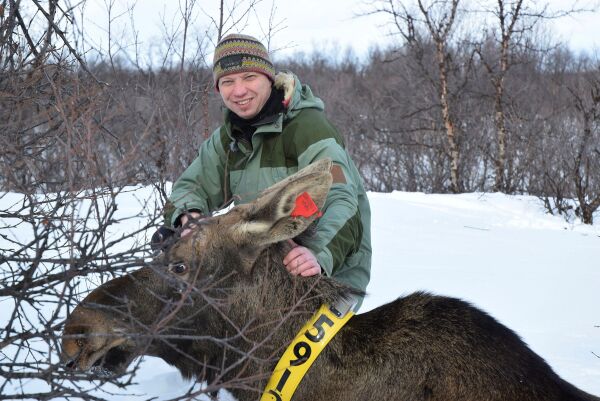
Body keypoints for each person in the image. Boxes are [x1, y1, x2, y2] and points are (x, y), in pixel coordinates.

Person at [153, 33, 371, 309]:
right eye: (228, 82)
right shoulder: (229, 139)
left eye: (249, 78)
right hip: (262, 263)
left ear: (269, 78)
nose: (239, 91)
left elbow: (343, 202)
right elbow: (190, 187)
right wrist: (189, 218)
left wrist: (316, 255)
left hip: (329, 269)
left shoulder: (309, 129)